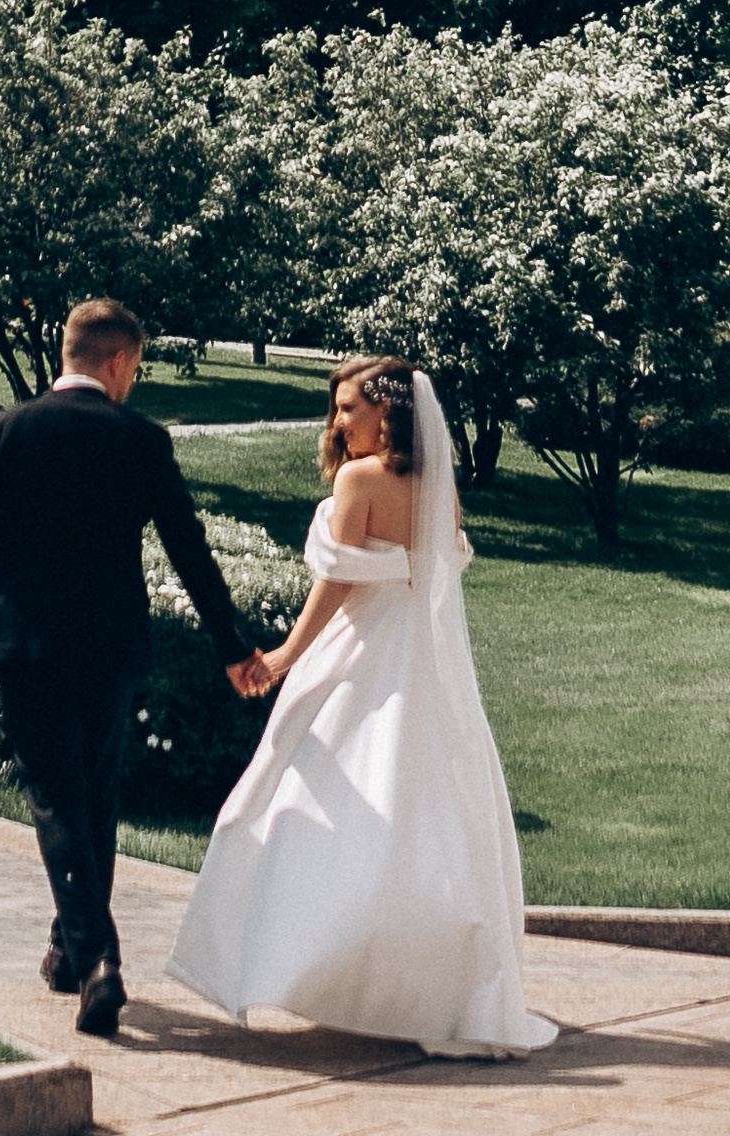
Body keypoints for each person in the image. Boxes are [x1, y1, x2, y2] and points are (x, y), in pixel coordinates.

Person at [167, 356, 556, 1059]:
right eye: (337, 409)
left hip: (365, 650)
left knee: (286, 805)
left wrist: (285, 656)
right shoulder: (439, 487)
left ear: (389, 413)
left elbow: (339, 582)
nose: (338, 422)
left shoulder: (359, 480)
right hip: (426, 660)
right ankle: (425, 988)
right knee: (424, 814)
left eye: (350, 408)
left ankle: (290, 962)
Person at [0, 298, 268, 1040]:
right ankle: (69, 948)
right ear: (118, 361)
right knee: (94, 797)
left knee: (57, 799)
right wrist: (231, 645)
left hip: (25, 645)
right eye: (135, 369)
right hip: (110, 645)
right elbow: (188, 548)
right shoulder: (140, 439)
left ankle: (95, 961)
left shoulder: (5, 431)